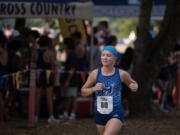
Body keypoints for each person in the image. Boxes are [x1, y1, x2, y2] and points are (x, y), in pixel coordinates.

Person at [81, 46, 138, 135]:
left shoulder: (121, 74)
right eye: (103, 55)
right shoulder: (95, 74)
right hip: (100, 113)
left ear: (115, 59)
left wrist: (135, 86)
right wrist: (94, 88)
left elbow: (133, 83)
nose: (105, 57)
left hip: (116, 113)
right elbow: (83, 92)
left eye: (108, 55)